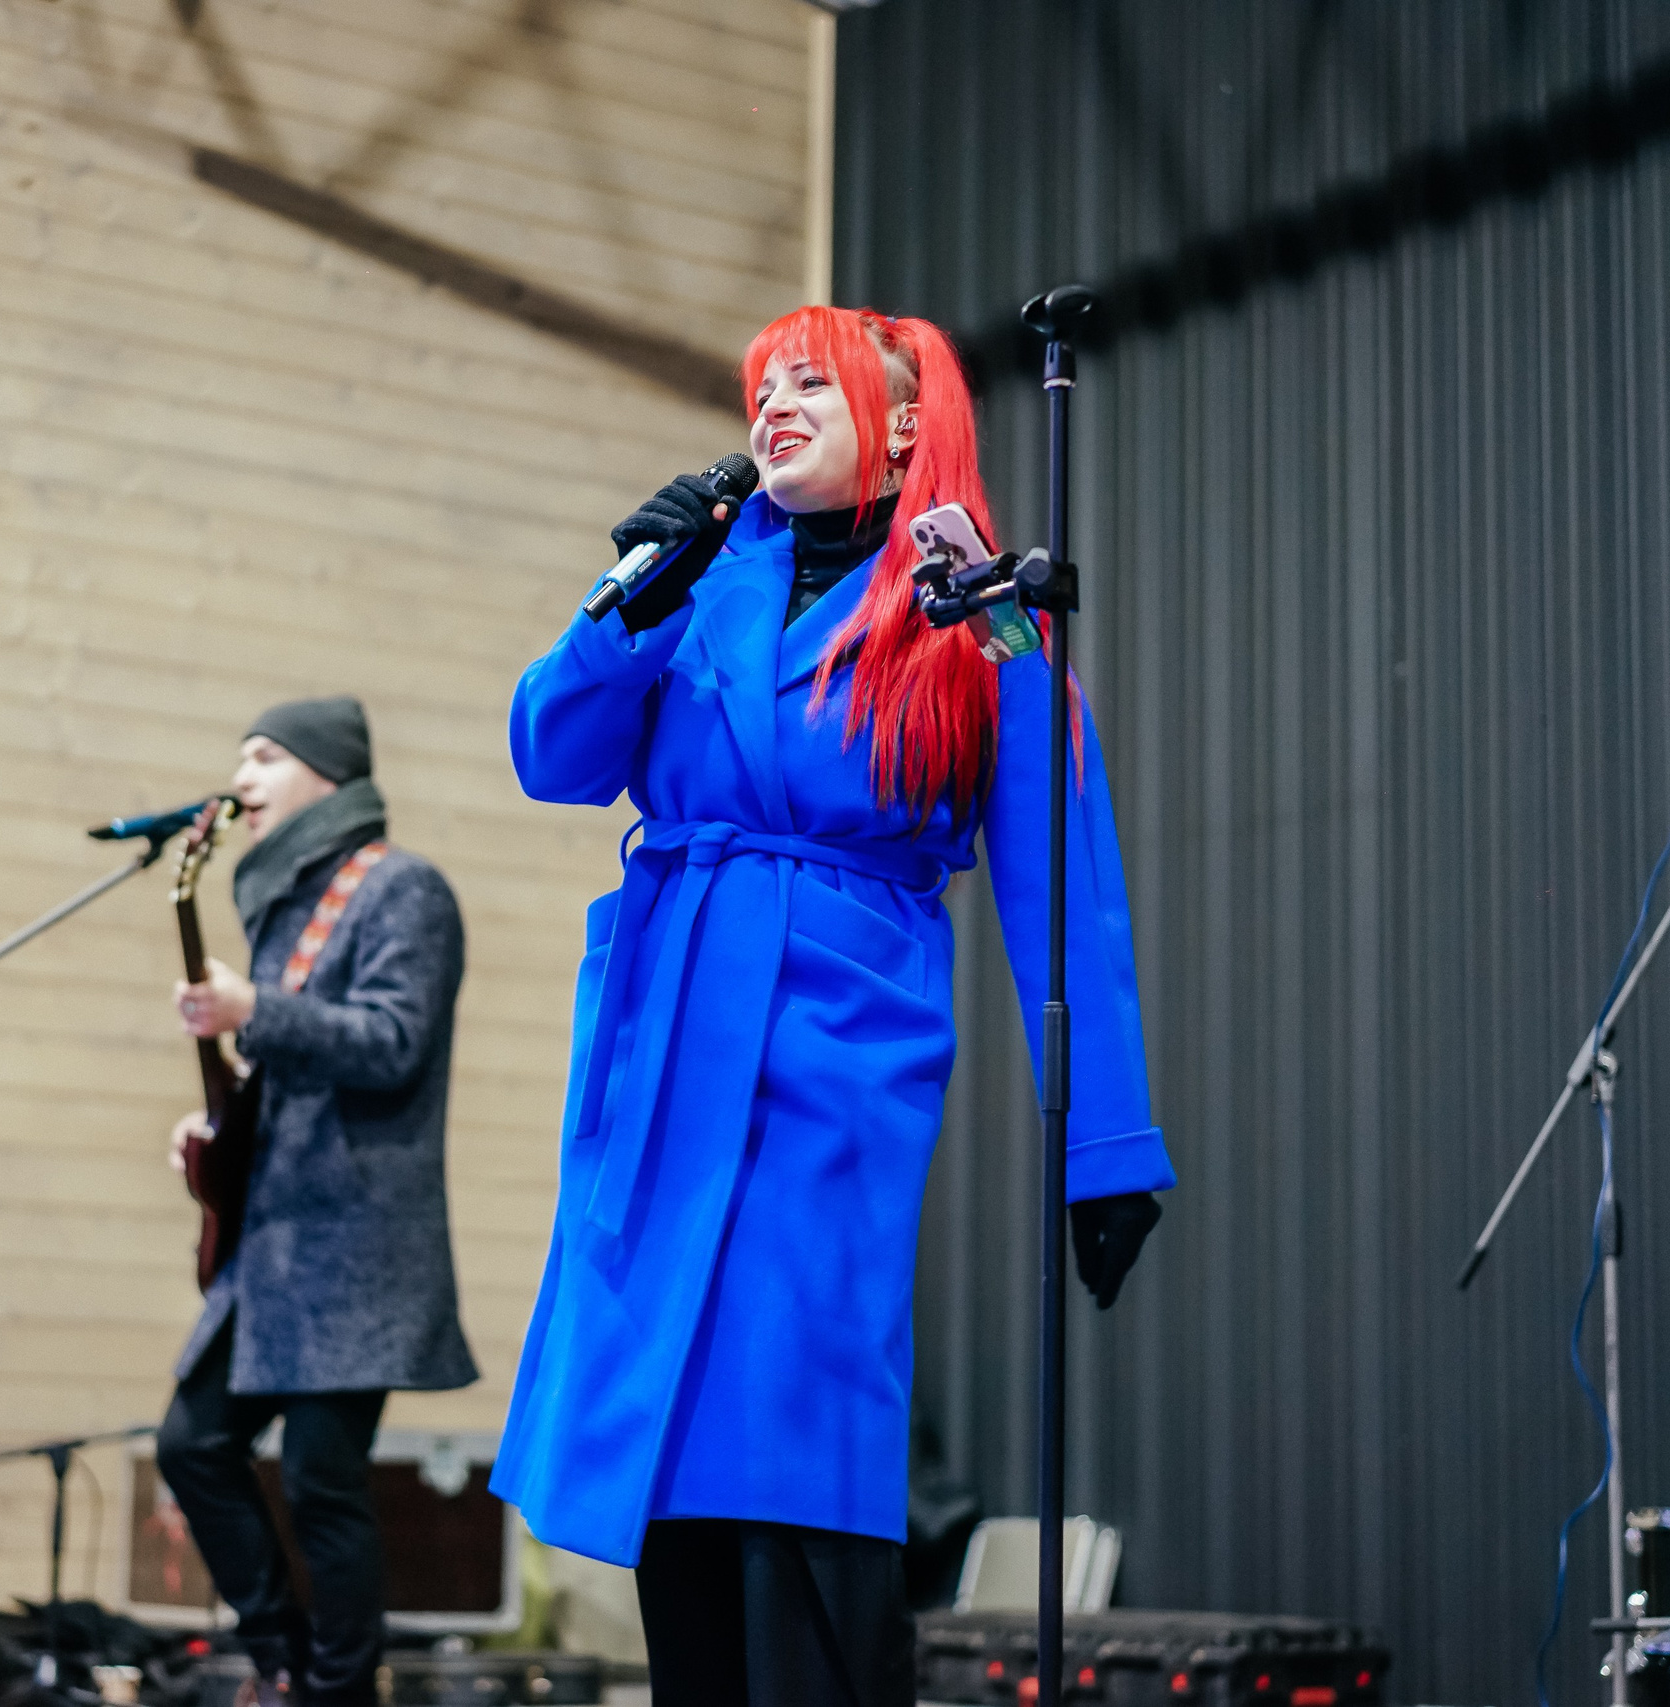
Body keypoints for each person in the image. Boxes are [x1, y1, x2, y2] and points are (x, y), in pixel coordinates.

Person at [488, 307, 1175, 1705]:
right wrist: (627, 593)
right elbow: (551, 754)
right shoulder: (698, 580)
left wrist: (1105, 1147)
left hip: (834, 1042)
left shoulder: (972, 614)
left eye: (814, 380)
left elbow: (1064, 886)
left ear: (909, 420)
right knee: (674, 1445)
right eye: (762, 385)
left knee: (799, 1434)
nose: (776, 404)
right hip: (666, 1043)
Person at [156, 695, 477, 1707]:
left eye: (263, 757)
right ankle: (285, 1664)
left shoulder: (401, 889)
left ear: (327, 773)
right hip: (277, 1250)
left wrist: (255, 1010)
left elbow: (390, 1042)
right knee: (192, 1446)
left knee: (323, 1485)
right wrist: (217, 1134)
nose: (242, 780)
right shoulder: (292, 905)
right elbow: (298, 1060)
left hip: (354, 1249)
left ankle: (336, 1690)